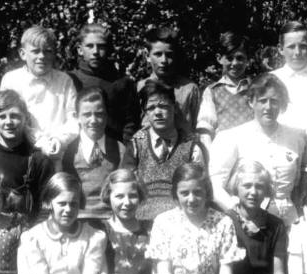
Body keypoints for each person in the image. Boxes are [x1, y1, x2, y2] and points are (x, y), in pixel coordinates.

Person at [210, 73, 307, 226]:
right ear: (251, 102)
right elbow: (215, 185)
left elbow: (298, 185)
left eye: (274, 101)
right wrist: (238, 214)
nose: (268, 107)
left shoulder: (296, 137)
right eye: (262, 101)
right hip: (246, 221)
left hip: (288, 221)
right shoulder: (231, 137)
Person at [146, 163, 245, 274]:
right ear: (176, 194)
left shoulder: (223, 222)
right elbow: (163, 270)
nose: (191, 199)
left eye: (198, 192)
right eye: (184, 193)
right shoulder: (163, 222)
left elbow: (226, 269)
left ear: (207, 192)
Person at [17, 173, 106, 274]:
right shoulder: (33, 237)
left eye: (73, 204)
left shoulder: (93, 236)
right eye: (62, 204)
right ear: (49, 203)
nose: (68, 210)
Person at [0, 89, 53, 222]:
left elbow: (47, 206)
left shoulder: (39, 160)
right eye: (2, 117)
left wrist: (33, 231)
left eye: (15, 116)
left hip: (30, 229)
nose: (9, 122)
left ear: (26, 118)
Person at [130, 79, 207, 220]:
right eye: (151, 108)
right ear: (145, 112)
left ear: (174, 108)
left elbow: (201, 188)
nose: (157, 113)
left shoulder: (191, 146)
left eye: (163, 106)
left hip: (180, 221)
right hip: (142, 222)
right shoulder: (136, 143)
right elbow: (124, 185)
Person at [56, 87, 136, 221]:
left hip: (111, 219)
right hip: (77, 220)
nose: (93, 120)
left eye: (99, 114)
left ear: (107, 116)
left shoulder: (119, 149)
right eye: (87, 115)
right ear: (77, 117)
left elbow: (126, 191)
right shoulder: (68, 152)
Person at [0, 25, 78, 154]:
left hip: (58, 149)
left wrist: (59, 140)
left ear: (54, 53)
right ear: (23, 54)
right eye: (35, 51)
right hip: (21, 150)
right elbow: (8, 117)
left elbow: (73, 118)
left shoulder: (64, 81)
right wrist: (40, 141)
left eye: (48, 51)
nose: (42, 56)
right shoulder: (11, 80)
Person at [69, 23, 141, 143]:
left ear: (108, 49)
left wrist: (125, 148)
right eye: (90, 46)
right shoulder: (70, 80)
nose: (95, 51)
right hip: (76, 148)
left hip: (115, 148)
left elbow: (131, 123)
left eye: (101, 46)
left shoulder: (122, 82)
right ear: (80, 50)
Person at [270, 21, 307, 135]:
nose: (297, 52)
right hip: (283, 142)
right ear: (281, 49)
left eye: (303, 46)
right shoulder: (272, 79)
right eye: (291, 47)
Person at [136, 26, 200, 132]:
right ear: (147, 56)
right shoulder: (139, 88)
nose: (164, 60)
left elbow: (197, 126)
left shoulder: (189, 89)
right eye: (158, 54)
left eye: (169, 55)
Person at [195, 31, 254, 144]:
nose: (235, 63)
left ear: (247, 59)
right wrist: (207, 150)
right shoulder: (212, 91)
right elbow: (206, 126)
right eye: (229, 58)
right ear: (219, 58)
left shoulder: (256, 88)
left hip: (251, 146)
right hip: (224, 148)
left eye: (240, 58)